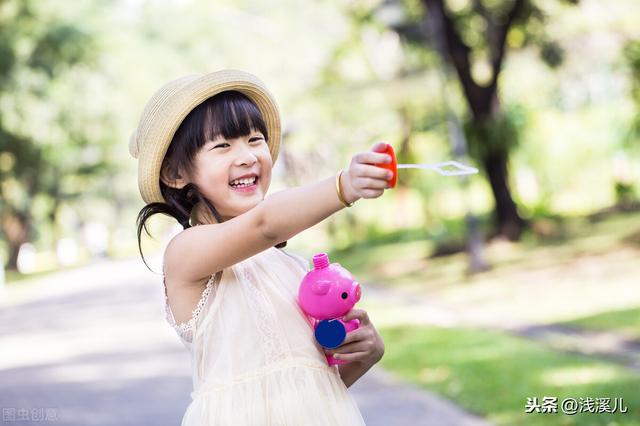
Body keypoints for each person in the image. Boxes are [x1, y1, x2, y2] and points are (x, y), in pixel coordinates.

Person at [129, 69, 392, 425]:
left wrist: (363, 355)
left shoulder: (294, 269)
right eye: (222, 146)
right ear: (176, 174)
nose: (248, 155)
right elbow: (264, 224)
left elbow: (313, 387)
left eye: (255, 139)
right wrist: (344, 186)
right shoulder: (186, 254)